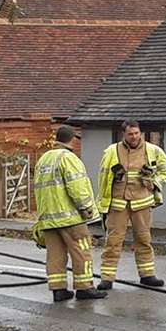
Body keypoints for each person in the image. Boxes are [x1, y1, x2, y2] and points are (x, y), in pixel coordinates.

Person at [31, 125, 104, 302]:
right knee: (82, 251)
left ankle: (58, 290)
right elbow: (77, 187)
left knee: (55, 254)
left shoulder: (44, 159)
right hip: (70, 218)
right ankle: (85, 287)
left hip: (48, 219)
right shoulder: (68, 158)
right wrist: (88, 210)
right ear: (72, 139)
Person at [95, 121, 166, 289]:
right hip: (117, 203)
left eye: (137, 133)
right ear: (124, 135)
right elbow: (102, 177)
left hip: (142, 203)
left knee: (144, 239)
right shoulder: (111, 151)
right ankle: (107, 278)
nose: (135, 137)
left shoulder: (152, 150)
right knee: (113, 241)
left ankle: (147, 275)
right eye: (131, 134)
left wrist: (154, 182)